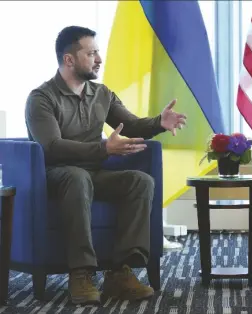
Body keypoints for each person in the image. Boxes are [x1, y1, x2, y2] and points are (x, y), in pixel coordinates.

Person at [25, 26, 187, 305]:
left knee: (141, 181)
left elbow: (132, 124)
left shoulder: (101, 94)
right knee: (76, 178)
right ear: (69, 60)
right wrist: (102, 148)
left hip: (94, 173)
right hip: (54, 176)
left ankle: (119, 273)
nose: (99, 59)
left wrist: (158, 123)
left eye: (97, 52)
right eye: (91, 53)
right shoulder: (41, 98)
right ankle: (81, 273)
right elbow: (51, 147)